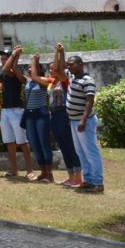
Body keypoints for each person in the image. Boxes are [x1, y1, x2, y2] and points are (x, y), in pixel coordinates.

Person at [5, 47, 55, 184]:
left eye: (31, 67)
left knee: (44, 143)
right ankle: (43, 171)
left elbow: (34, 76)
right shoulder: (28, 81)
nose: (29, 70)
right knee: (34, 143)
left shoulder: (46, 81)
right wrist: (16, 55)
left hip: (41, 113)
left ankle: (49, 174)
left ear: (39, 69)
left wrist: (34, 61)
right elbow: (15, 69)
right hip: (30, 115)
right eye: (28, 68)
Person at [47, 43, 83, 188]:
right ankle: (70, 176)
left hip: (64, 114)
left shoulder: (65, 80)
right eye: (49, 69)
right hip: (55, 114)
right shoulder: (51, 83)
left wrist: (59, 52)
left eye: (52, 69)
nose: (52, 71)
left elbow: (59, 67)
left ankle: (78, 177)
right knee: (63, 145)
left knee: (70, 145)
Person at [66, 54, 103, 194]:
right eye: (68, 64)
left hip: (84, 122)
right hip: (74, 121)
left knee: (91, 152)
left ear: (80, 64)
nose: (69, 67)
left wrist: (83, 119)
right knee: (81, 152)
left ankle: (98, 182)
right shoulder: (73, 78)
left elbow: (89, 101)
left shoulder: (87, 80)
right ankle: (88, 180)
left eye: (71, 64)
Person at [0, 48, 34, 179]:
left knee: (22, 141)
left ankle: (30, 170)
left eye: (5, 58)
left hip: (17, 110)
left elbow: (9, 68)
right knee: (9, 142)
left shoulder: (14, 73)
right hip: (5, 110)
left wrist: (14, 55)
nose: (2, 61)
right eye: (1, 59)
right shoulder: (4, 74)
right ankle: (14, 169)